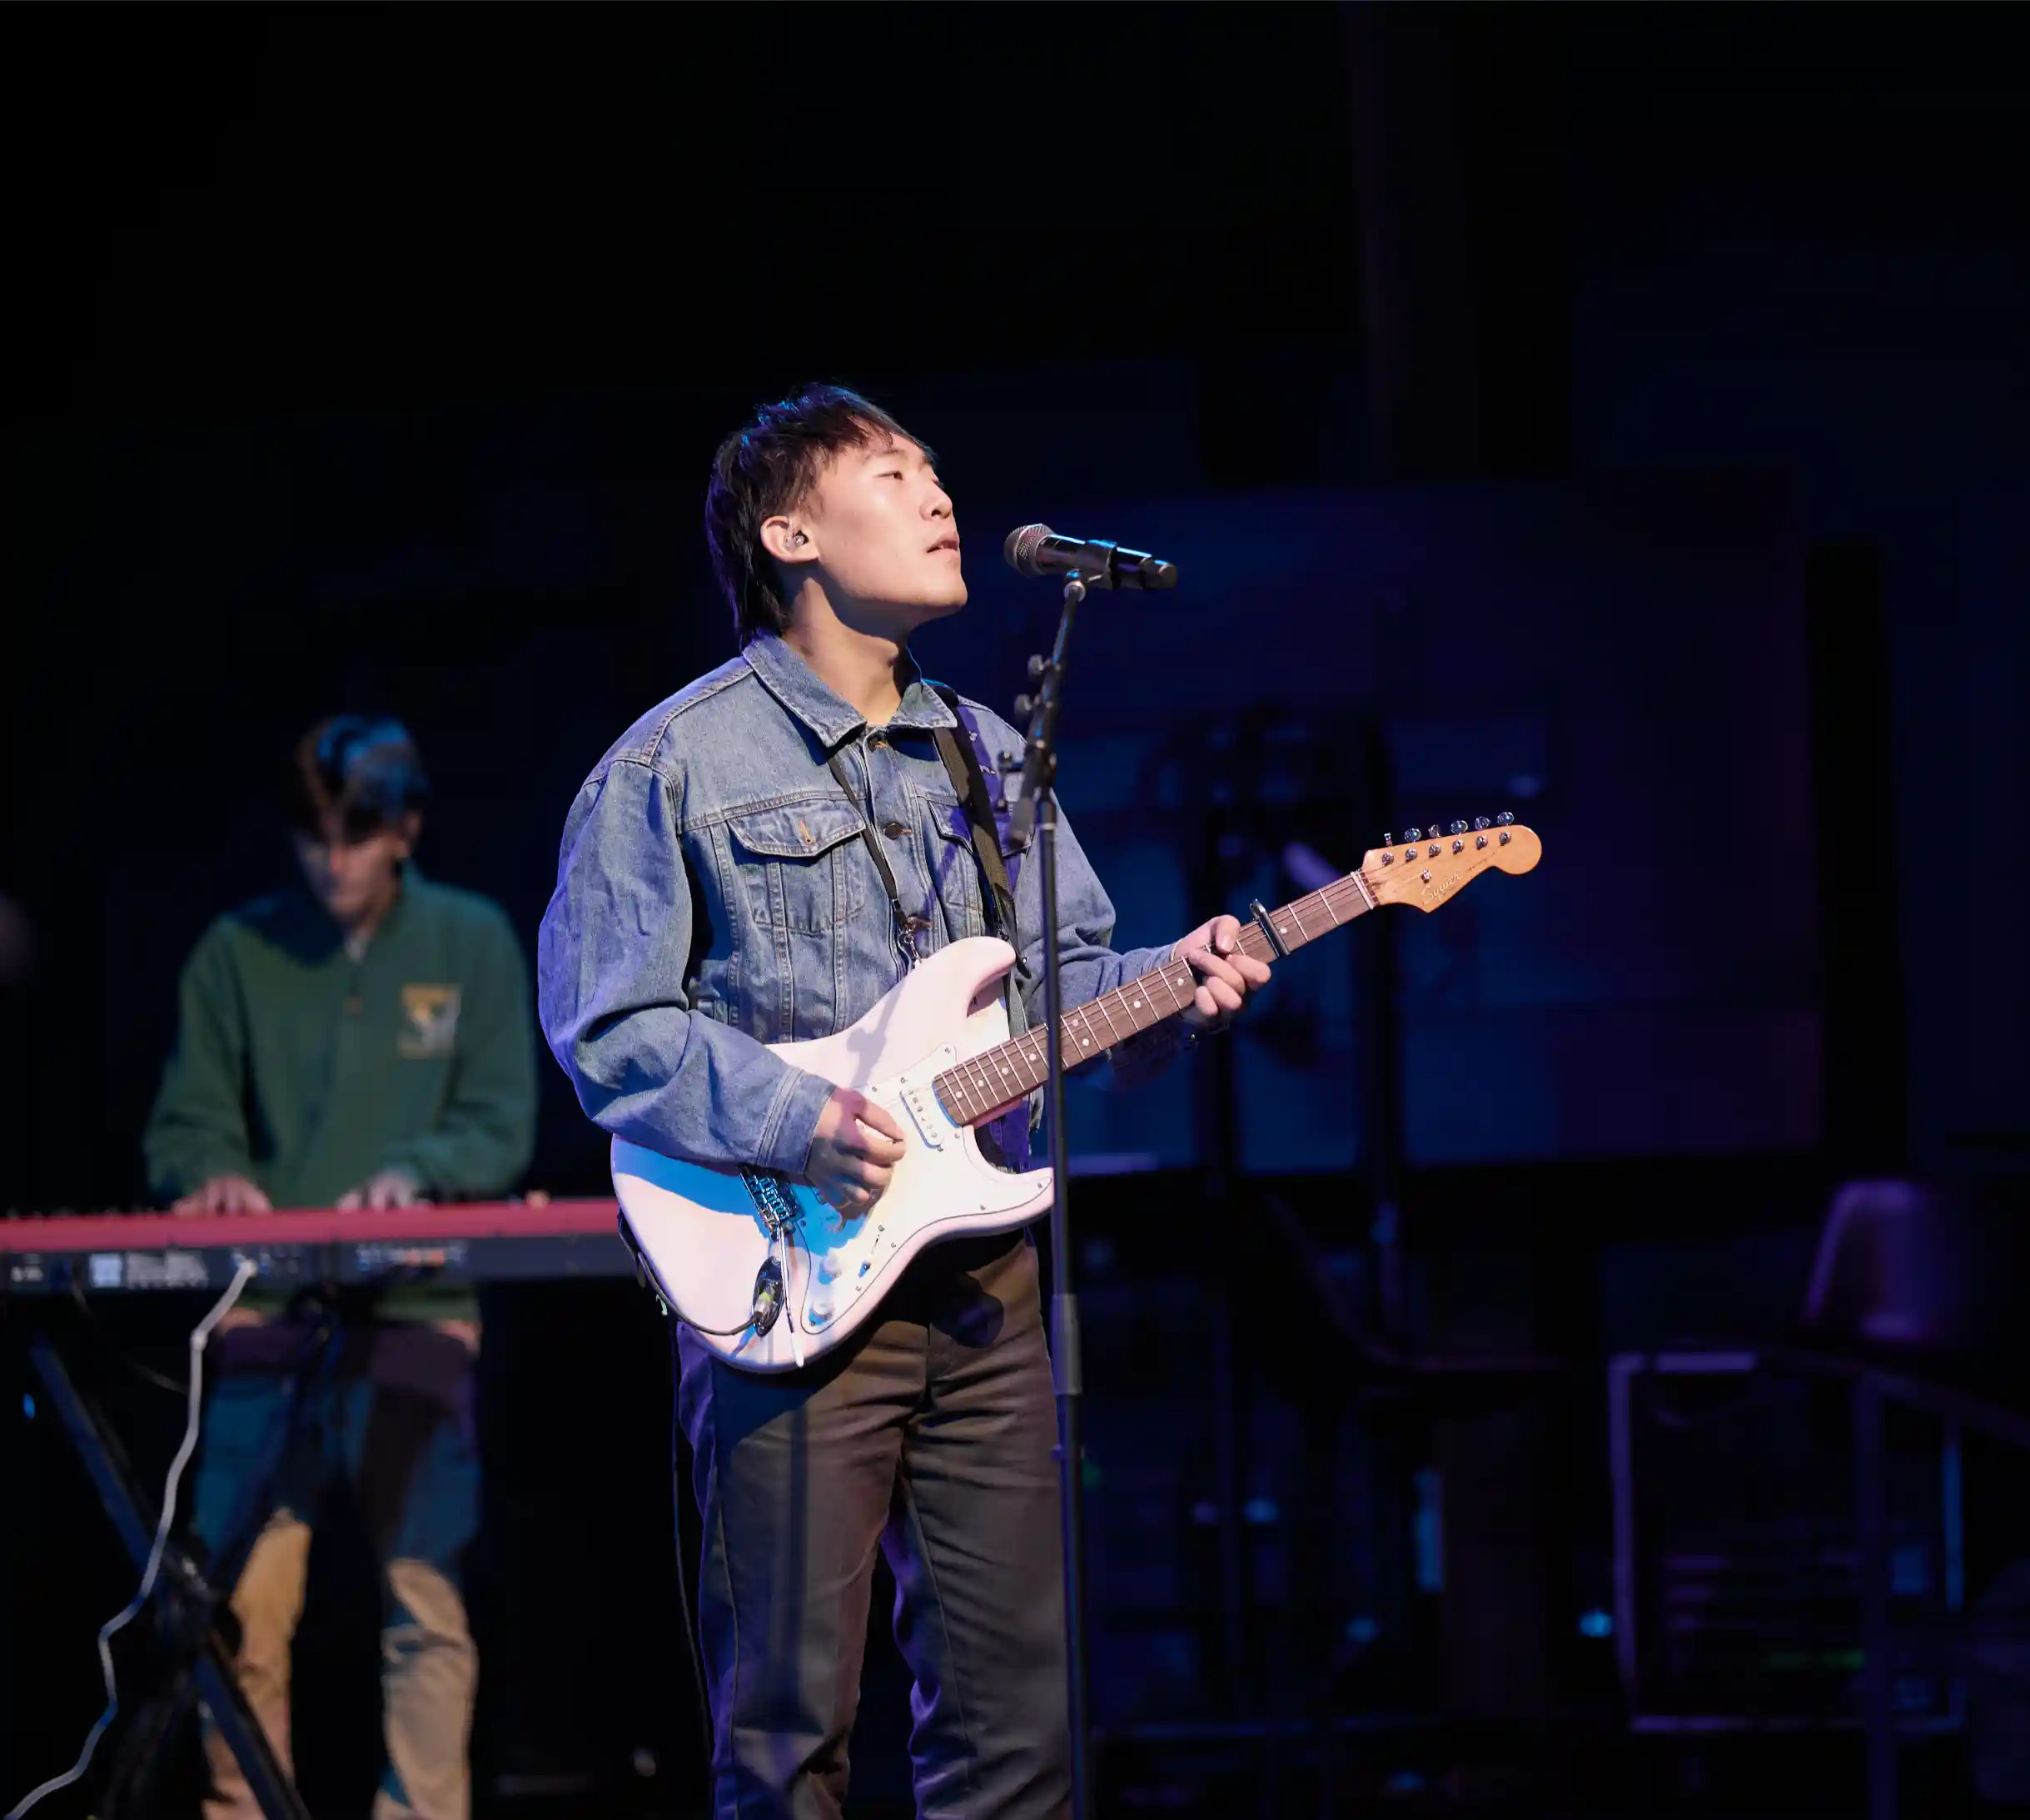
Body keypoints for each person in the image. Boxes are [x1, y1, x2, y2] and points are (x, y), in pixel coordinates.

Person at [537, 382, 1271, 1819]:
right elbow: (606, 1026)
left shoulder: (991, 756)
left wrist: (1170, 992)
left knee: (1018, 1741)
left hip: (986, 1286)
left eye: (939, 469)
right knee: (787, 1739)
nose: (943, 496)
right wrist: (795, 1119)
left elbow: (1069, 990)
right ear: (790, 529)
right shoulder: (672, 764)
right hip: (792, 1283)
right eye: (896, 471)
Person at [144, 714, 538, 1820]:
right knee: (240, 1606)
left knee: (427, 1596)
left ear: (405, 830)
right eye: (314, 835)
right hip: (267, 1312)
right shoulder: (237, 948)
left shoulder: (471, 939)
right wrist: (215, 1172)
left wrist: (420, 1169)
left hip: (416, 1310)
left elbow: (502, 1123)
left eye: (357, 834)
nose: (333, 858)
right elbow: (184, 1123)